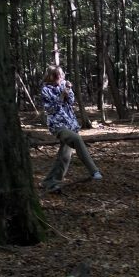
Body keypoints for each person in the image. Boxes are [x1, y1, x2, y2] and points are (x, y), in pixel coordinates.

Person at [41, 65, 102, 193]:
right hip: (57, 125)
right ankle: (93, 170)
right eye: (56, 75)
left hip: (71, 124)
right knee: (76, 139)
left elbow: (71, 102)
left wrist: (68, 90)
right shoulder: (46, 90)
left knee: (64, 156)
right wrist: (61, 96)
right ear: (50, 76)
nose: (60, 77)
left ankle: (50, 182)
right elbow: (50, 109)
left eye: (61, 74)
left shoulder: (64, 85)